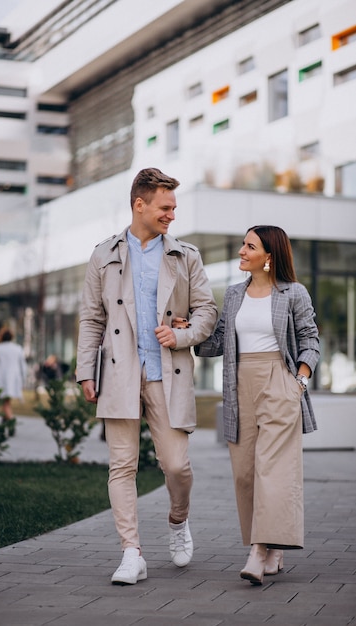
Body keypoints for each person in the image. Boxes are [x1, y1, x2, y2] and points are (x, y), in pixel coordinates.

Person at [76, 167, 218, 585]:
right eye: (165, 207)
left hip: (166, 372)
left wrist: (181, 334)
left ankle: (178, 520)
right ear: (140, 205)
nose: (172, 214)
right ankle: (131, 553)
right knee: (122, 466)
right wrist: (86, 369)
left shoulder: (185, 255)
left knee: (176, 466)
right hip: (119, 373)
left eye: (174, 207)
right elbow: (91, 319)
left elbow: (207, 311)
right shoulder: (103, 254)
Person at [182, 225, 319, 585]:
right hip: (239, 385)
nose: (242, 251)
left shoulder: (293, 293)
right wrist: (191, 330)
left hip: (279, 382)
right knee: (245, 474)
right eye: (243, 245)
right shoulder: (234, 294)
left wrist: (298, 383)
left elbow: (310, 340)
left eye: (249, 246)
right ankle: (274, 549)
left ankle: (259, 551)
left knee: (271, 471)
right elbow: (217, 343)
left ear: (269, 257)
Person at [0, 327, 27, 429]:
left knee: (3, 402)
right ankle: (5, 420)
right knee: (6, 401)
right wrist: (23, 379)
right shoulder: (18, 348)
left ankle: (10, 420)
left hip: (2, 378)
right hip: (14, 378)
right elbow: (23, 366)